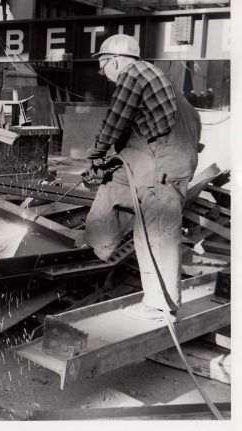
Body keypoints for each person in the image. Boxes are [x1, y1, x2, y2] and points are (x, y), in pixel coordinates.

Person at [83, 34, 201, 320]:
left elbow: (115, 120)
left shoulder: (133, 72)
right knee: (112, 189)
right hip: (167, 162)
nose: (105, 75)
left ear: (112, 61)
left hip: (160, 169)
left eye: (103, 67)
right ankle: (100, 245)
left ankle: (162, 306)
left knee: (158, 234)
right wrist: (112, 161)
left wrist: (96, 153)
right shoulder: (161, 79)